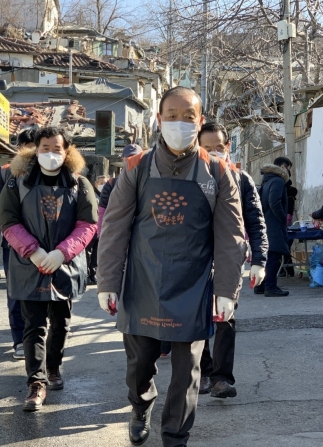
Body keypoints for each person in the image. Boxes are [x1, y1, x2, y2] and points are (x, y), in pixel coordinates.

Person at [97, 87, 246, 446]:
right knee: (139, 365)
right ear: (159, 119)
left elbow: (231, 236)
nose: (180, 123)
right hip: (142, 280)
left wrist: (227, 289)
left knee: (188, 370)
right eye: (172, 116)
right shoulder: (137, 167)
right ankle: (140, 405)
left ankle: (175, 436)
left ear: (200, 120)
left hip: (193, 285)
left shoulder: (218, 172)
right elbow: (115, 226)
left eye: (188, 116)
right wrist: (108, 281)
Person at [0, 127, 97, 412]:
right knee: (34, 326)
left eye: (57, 149)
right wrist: (34, 252)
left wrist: (61, 253)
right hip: (29, 264)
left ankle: (53, 368)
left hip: (65, 264)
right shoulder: (17, 182)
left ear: (67, 151)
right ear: (35, 150)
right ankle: (36, 383)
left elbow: (88, 224)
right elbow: (8, 221)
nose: (51, 154)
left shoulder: (80, 184)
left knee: (61, 323)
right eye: (45, 148)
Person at [197, 122, 268, 397]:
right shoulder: (188, 178)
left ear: (228, 148)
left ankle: (221, 378)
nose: (214, 153)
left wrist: (259, 261)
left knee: (225, 317)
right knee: (195, 315)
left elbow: (256, 222)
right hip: (193, 259)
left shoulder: (242, 179)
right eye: (206, 148)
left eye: (218, 147)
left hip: (229, 260)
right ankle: (202, 372)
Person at [0, 129, 36, 360]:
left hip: (45, 245)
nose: (31, 151)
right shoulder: (6, 172)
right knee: (15, 293)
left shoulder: (53, 171)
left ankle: (37, 338)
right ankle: (19, 341)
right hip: (13, 243)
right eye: (26, 146)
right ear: (17, 148)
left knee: (42, 294)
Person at [255, 157, 292, 297]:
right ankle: (270, 287)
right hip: (274, 224)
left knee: (267, 256)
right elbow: (274, 202)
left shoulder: (266, 182)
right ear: (283, 167)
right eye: (287, 167)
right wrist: (283, 218)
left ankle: (261, 286)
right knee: (273, 256)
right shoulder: (277, 181)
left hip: (266, 223)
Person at [97, 144, 143, 236]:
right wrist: (101, 234)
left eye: (136, 158)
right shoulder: (111, 184)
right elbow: (103, 210)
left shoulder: (147, 183)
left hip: (141, 235)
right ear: (123, 160)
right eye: (129, 158)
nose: (132, 161)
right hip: (116, 234)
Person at [85, 175, 108, 284]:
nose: (103, 185)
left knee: (96, 255)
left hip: (102, 230)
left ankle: (93, 275)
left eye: (105, 183)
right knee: (87, 254)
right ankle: (86, 275)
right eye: (101, 183)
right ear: (96, 184)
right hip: (91, 230)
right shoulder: (92, 195)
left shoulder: (108, 196)